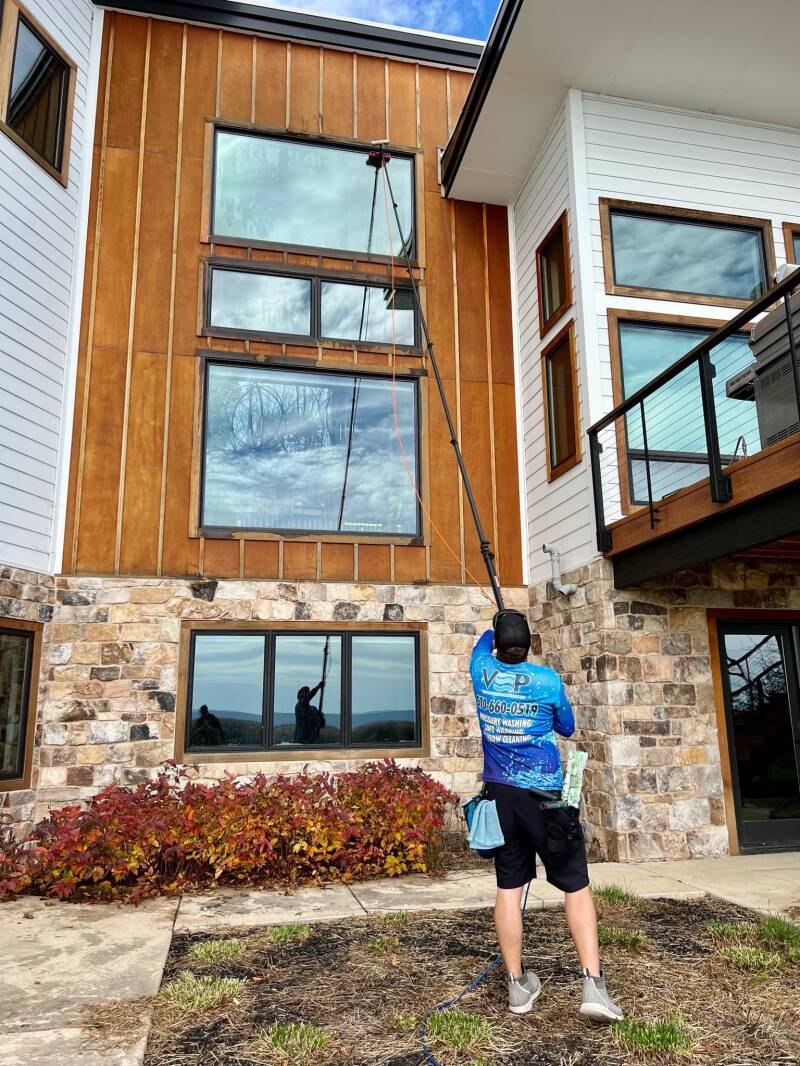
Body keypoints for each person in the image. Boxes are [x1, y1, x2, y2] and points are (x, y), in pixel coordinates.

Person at [470, 609, 623, 1022]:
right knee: (576, 885)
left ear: (499, 645)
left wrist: (497, 623)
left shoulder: (481, 670)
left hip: (501, 798)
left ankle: (517, 986)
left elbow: (482, 643)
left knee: (509, 887)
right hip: (546, 800)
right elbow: (567, 727)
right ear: (529, 646)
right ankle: (593, 987)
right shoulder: (547, 681)